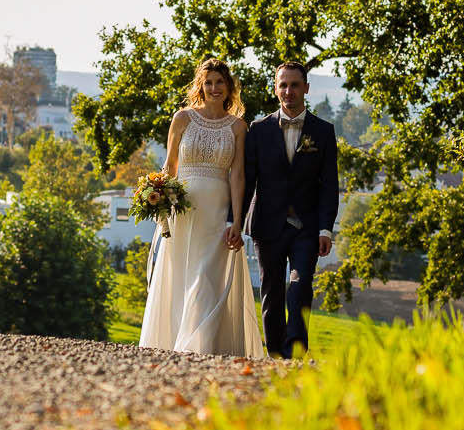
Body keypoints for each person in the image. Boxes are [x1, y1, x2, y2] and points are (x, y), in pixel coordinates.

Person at [138, 58, 264, 357]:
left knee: (207, 277)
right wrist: (159, 197)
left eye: (220, 82)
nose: (214, 88)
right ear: (200, 85)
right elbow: (169, 165)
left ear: (229, 86)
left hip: (217, 212)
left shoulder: (237, 126)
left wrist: (236, 220)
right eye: (208, 82)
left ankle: (198, 347)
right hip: (182, 211)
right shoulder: (182, 118)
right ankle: (173, 343)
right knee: (180, 274)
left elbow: (238, 175)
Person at [235, 61, 339, 358]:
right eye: (283, 85)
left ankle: (294, 351)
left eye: (294, 85)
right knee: (271, 291)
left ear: (306, 88)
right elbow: (247, 179)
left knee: (300, 283)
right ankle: (275, 355)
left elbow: (329, 185)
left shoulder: (323, 131)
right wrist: (235, 221)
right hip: (266, 223)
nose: (288, 91)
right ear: (275, 88)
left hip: (307, 227)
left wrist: (325, 228)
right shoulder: (258, 129)